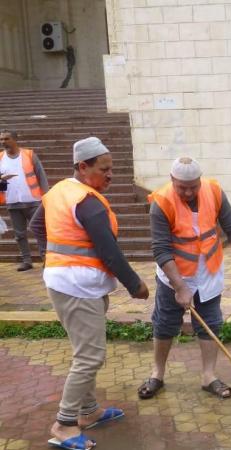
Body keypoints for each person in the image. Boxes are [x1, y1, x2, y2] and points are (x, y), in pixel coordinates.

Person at [29, 136, 149, 450]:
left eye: (112, 169)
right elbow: (109, 251)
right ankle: (65, 423)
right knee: (90, 355)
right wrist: (135, 284)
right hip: (77, 286)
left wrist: (53, 256)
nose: (110, 175)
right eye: (104, 169)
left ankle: (88, 411)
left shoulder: (58, 192)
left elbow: (36, 226)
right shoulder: (87, 200)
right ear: (83, 167)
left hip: (68, 282)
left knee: (85, 351)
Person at [137, 157, 231, 400]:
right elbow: (160, 249)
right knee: (165, 322)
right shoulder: (161, 202)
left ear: (200, 180)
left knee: (210, 322)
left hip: (207, 272)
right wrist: (179, 286)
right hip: (174, 275)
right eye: (182, 187)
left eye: (193, 186)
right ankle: (157, 373)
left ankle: (209, 376)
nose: (188, 192)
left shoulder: (214, 191)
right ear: (172, 180)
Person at [0, 129, 49, 271]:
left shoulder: (29, 154)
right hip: (12, 201)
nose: (3, 142)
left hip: (33, 200)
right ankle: (26, 260)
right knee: (19, 234)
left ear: (15, 139)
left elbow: (41, 175)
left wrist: (46, 195)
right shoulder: (1, 158)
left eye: (6, 139)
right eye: (2, 139)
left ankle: (46, 258)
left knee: (40, 230)